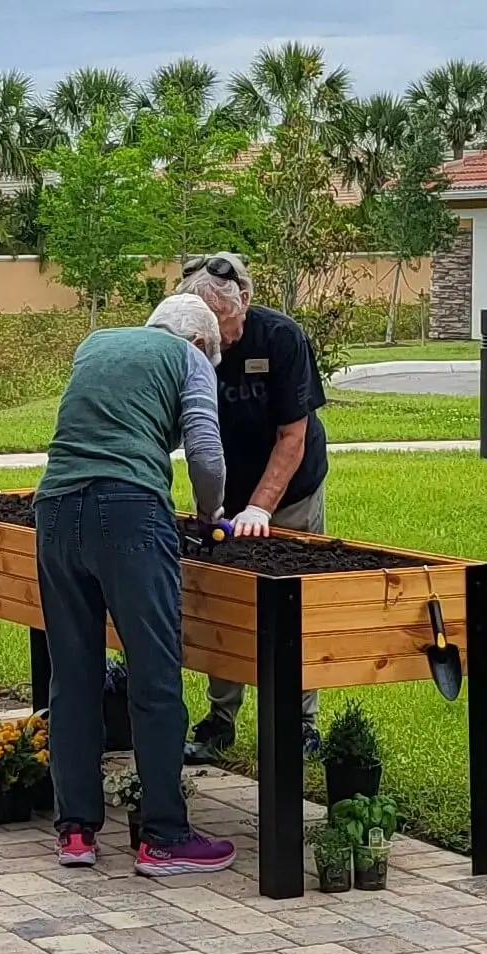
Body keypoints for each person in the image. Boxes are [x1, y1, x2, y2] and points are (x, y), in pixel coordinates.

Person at [35, 293, 238, 876]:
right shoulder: (190, 358)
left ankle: (75, 831)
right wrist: (209, 513)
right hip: (128, 511)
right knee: (154, 676)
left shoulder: (94, 344)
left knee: (72, 677)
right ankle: (164, 837)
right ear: (200, 341)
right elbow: (205, 451)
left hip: (53, 513)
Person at [176, 257, 332, 764]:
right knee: (226, 603)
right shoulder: (188, 341)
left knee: (292, 604)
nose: (219, 340)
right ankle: (221, 718)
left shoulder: (281, 338)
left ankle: (300, 722)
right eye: (208, 328)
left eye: (226, 325)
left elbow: (294, 436)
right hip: (225, 492)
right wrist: (215, 503)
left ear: (244, 300)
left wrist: (262, 509)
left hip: (289, 493)